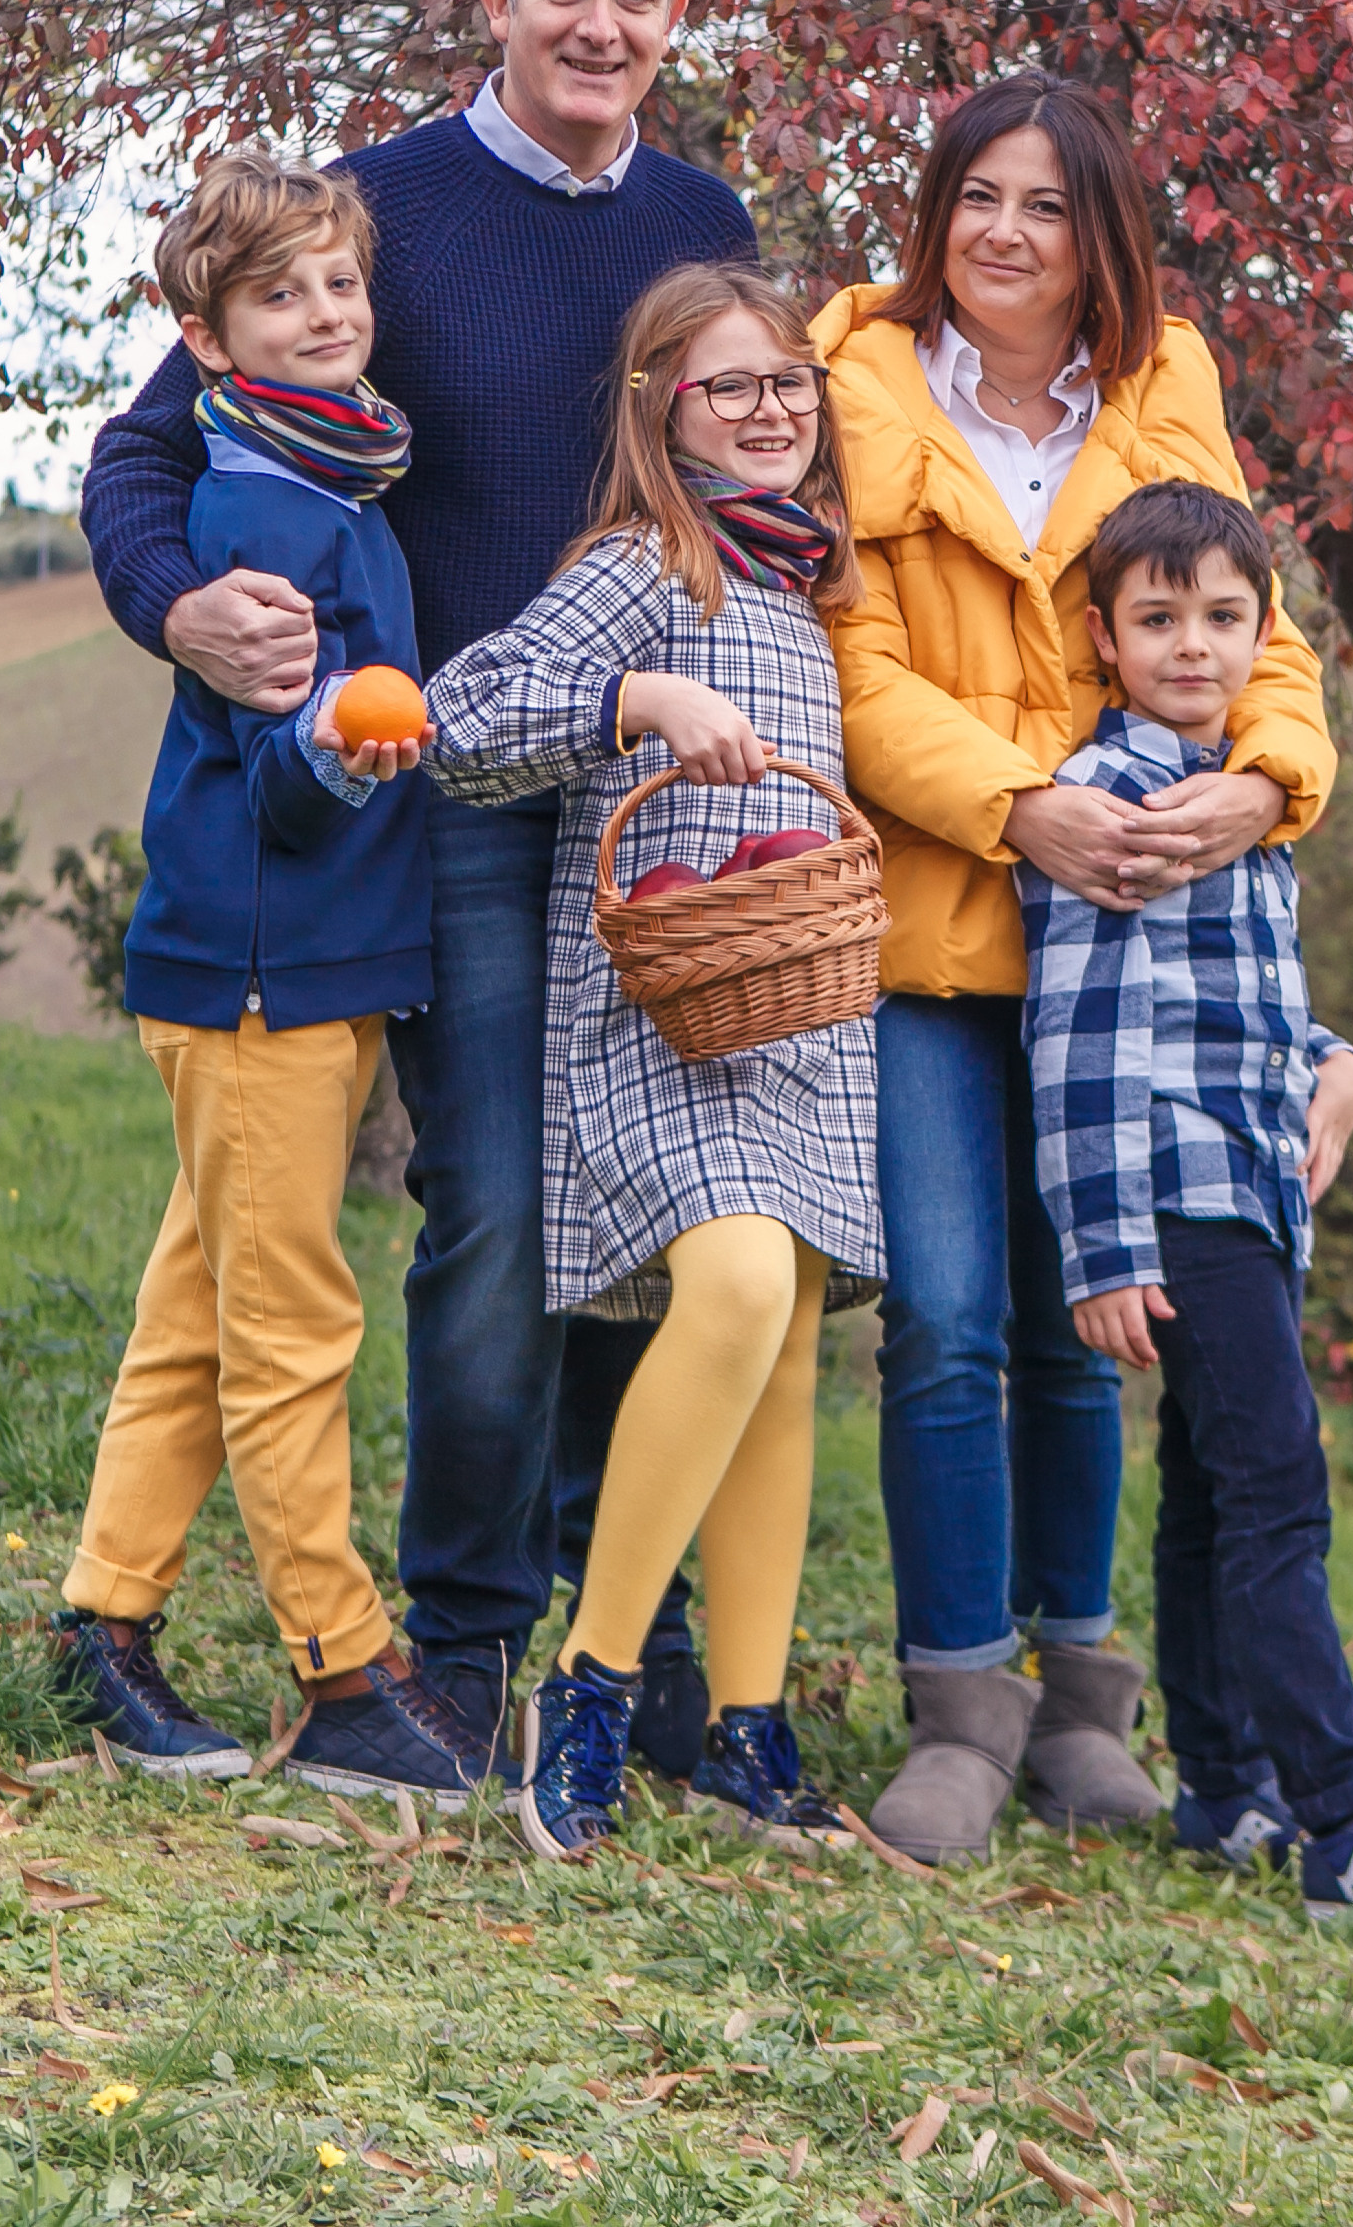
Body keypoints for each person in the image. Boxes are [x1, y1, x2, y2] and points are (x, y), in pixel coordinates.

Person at [82, 0, 756, 1783]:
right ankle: (453, 1640)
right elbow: (148, 452)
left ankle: (636, 1631)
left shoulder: (700, 219)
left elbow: (749, 460)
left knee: (651, 1195)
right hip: (436, 791)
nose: (599, 25)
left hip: (639, 790)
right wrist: (183, 609)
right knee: (488, 1206)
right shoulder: (363, 212)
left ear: (672, 18)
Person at [810, 75, 1341, 1863]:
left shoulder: (1163, 387)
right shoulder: (857, 379)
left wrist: (1264, 788)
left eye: (1045, 204)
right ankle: (959, 1712)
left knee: (1076, 1337)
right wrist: (1021, 807)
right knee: (949, 1320)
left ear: (1097, 232)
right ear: (935, 212)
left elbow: (1254, 623)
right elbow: (855, 664)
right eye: (976, 196)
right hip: (943, 921)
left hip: (1129, 943)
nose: (1004, 234)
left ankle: (1081, 1704)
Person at [425, 268, 882, 1857]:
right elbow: (460, 718)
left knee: (789, 1334)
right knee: (740, 1285)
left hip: (800, 1016)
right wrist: (633, 695)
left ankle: (750, 1728)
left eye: (790, 386)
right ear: (657, 412)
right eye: (730, 388)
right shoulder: (639, 566)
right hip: (650, 1023)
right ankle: (595, 1676)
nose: (770, 414)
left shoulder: (816, 587)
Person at [53, 151, 486, 1802]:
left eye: (339, 285)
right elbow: (285, 769)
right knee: (291, 1315)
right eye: (279, 294)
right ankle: (343, 1663)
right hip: (259, 967)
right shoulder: (250, 505)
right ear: (210, 338)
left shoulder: (335, 478)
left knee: (197, 1308)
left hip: (305, 959)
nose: (325, 315)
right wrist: (364, 743)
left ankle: (102, 1622)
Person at [1023, 480, 1353, 1923]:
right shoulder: (1106, 804)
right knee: (1276, 1489)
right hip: (1174, 1190)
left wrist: (1337, 1061)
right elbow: (1083, 1045)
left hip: (1248, 1185)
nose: (1193, 645)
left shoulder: (1249, 809)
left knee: (1206, 1493)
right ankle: (1345, 1818)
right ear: (1104, 641)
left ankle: (1223, 1790)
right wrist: (1106, 1245)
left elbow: (1234, 1012)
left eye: (1223, 618)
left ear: (1262, 633)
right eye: (1156, 619)